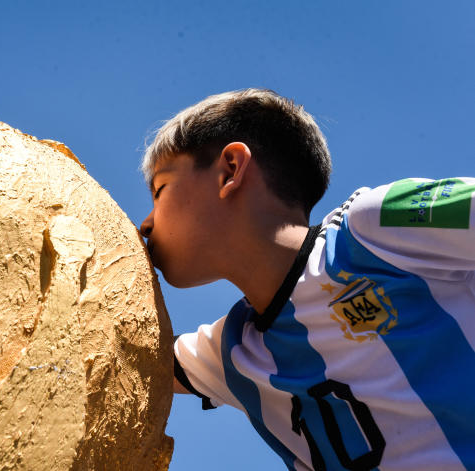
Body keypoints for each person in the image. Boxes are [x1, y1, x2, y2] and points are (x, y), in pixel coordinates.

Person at [139, 89, 475, 471]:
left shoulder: (371, 234)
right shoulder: (229, 351)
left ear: (230, 169)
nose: (146, 224)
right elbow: (123, 355)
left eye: (159, 190)